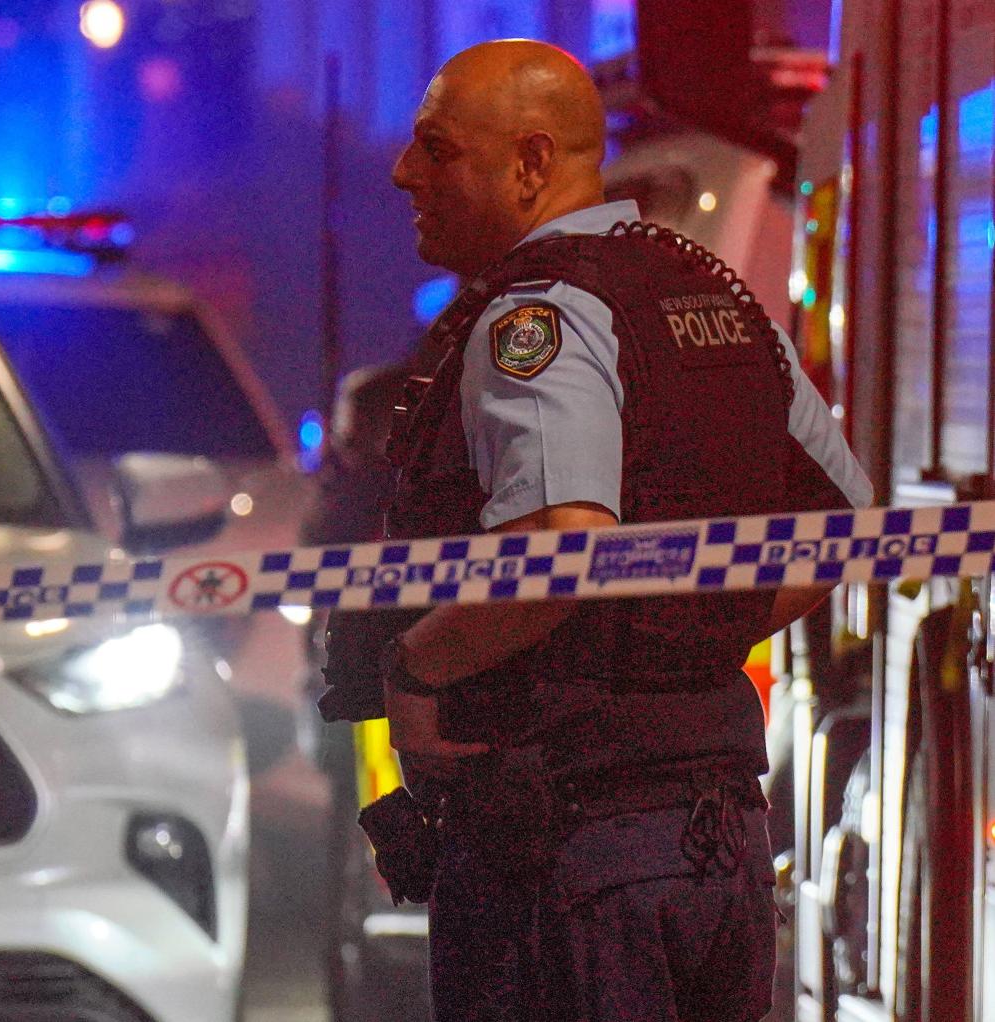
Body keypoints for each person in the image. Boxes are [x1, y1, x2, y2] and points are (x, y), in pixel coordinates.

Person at [321, 40, 872, 1022]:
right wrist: (694, 631)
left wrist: (414, 666)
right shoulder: (721, 299)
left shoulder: (533, 317)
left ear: (530, 163)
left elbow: (555, 548)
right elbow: (837, 527)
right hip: (716, 846)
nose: (404, 171)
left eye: (434, 148)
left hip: (566, 850)